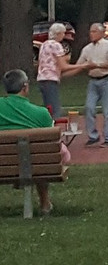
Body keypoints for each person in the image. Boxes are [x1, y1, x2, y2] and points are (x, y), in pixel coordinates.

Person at [0, 69, 71, 215]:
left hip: (3, 163)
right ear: (25, 86)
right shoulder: (41, 113)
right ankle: (45, 203)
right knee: (40, 158)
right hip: (35, 166)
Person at [75, 22, 108, 146]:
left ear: (102, 33)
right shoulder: (87, 49)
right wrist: (65, 71)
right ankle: (93, 136)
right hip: (93, 81)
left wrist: (97, 65)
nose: (91, 34)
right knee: (89, 107)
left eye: (94, 31)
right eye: (90, 31)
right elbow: (79, 66)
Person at [36, 23, 83, 119]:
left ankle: (49, 129)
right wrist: (82, 65)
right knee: (55, 110)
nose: (64, 36)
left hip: (42, 79)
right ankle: (53, 131)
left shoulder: (44, 45)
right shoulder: (57, 45)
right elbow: (63, 66)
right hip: (51, 80)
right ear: (58, 34)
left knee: (48, 108)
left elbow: (50, 61)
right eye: (63, 33)